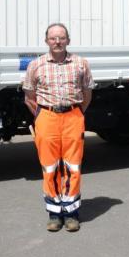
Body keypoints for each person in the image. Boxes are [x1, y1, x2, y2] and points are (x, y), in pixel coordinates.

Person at [23, 23, 95, 232]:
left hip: (73, 116)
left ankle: (71, 213)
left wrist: (78, 112)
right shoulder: (36, 65)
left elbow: (87, 92)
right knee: (50, 166)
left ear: (68, 40)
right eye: (53, 38)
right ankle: (55, 214)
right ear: (47, 41)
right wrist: (42, 115)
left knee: (73, 166)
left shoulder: (81, 64)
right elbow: (29, 96)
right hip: (46, 117)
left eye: (61, 38)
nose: (57, 42)